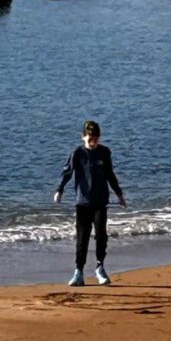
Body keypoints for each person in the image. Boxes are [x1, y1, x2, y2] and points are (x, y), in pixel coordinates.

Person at [54, 120, 126, 287]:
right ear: (83, 137)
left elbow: (110, 175)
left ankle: (100, 267)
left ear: (99, 138)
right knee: (82, 238)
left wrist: (120, 195)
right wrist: (59, 190)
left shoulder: (104, 153)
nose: (92, 143)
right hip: (83, 202)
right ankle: (78, 272)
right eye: (89, 140)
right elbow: (67, 173)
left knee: (101, 235)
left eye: (95, 139)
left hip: (100, 201)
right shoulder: (77, 153)